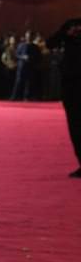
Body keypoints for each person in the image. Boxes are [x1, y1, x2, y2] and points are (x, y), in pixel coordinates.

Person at [47, 16, 81, 177]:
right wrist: (65, 33)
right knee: (74, 126)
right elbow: (50, 43)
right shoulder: (70, 25)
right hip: (71, 84)